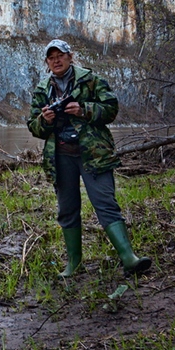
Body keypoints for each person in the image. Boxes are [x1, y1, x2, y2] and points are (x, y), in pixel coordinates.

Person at [26, 39, 151, 278]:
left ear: (70, 57)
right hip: (61, 158)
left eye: (60, 55)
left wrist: (84, 110)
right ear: (47, 63)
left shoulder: (91, 80)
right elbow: (35, 127)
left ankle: (129, 258)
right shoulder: (43, 90)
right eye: (51, 57)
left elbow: (111, 109)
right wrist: (46, 120)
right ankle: (74, 263)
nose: (56, 60)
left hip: (94, 154)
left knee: (106, 204)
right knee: (67, 210)